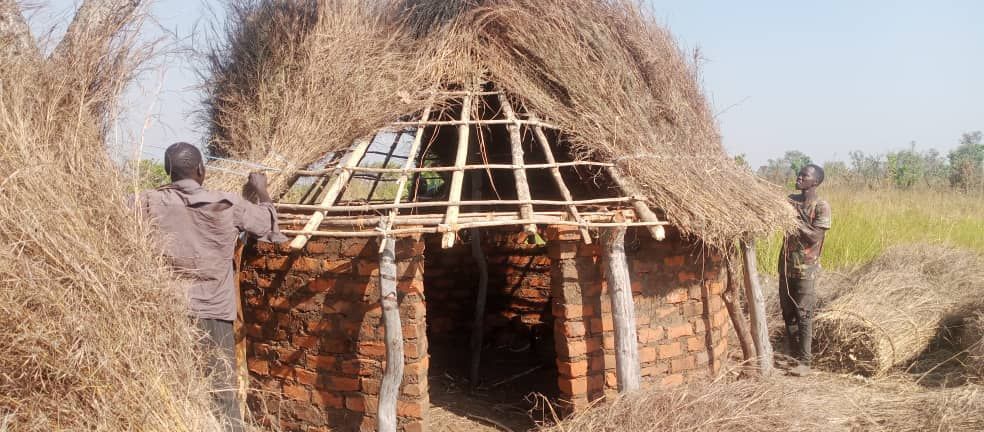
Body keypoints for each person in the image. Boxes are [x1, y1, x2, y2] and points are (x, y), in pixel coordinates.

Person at [135, 142, 285, 431]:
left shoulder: (147, 202)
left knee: (174, 388)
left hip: (165, 310)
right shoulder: (227, 204)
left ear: (168, 171)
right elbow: (268, 226)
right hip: (213, 313)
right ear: (201, 170)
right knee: (221, 394)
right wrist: (261, 189)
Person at [778, 164, 831, 377]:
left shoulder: (820, 206)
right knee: (788, 312)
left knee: (804, 313)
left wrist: (793, 220)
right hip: (785, 265)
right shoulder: (790, 200)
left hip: (806, 268)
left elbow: (814, 236)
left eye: (804, 175)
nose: (799, 177)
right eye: (799, 174)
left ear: (815, 182)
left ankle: (805, 362)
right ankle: (792, 357)